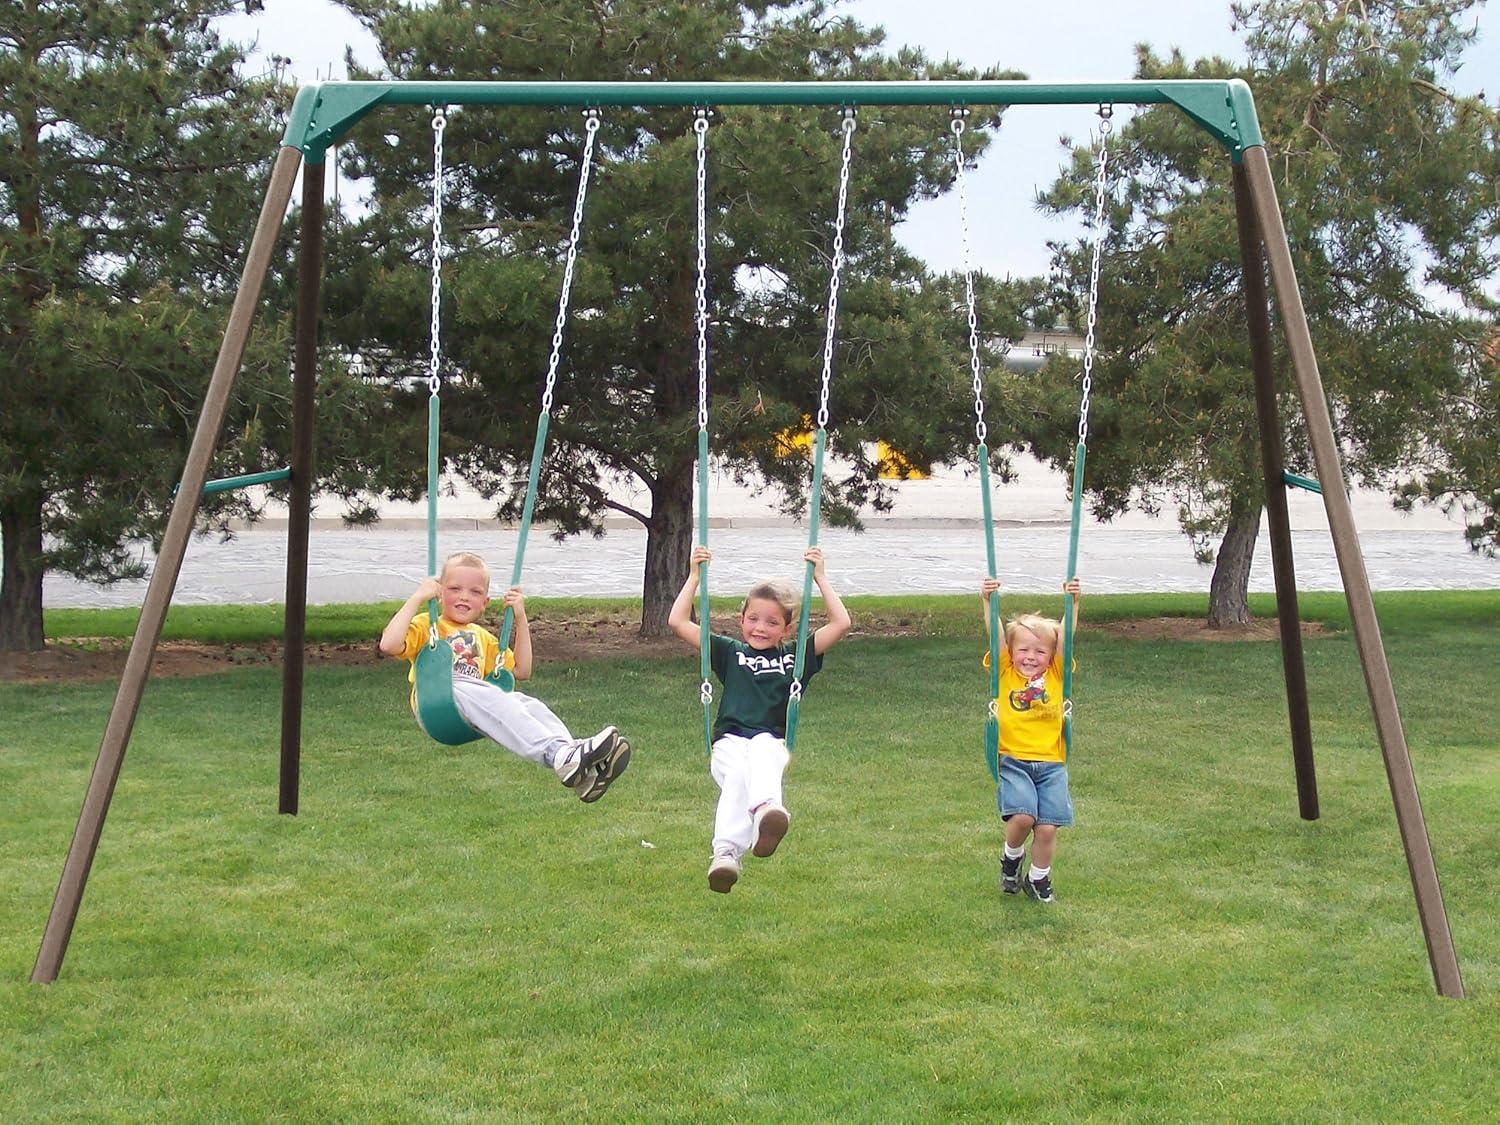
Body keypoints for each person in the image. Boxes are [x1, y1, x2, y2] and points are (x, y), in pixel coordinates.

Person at [668, 545, 852, 893]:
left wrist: (821, 579)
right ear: (741, 620)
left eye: (771, 622)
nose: (760, 628)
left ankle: (768, 811)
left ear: (787, 628)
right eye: (753, 619)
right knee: (737, 773)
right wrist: (693, 577)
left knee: (765, 750)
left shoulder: (795, 657)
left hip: (770, 738)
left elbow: (841, 624)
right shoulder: (729, 652)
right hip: (729, 741)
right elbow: (677, 622)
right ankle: (725, 854)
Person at [379, 551, 630, 803]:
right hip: (439, 701)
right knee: (486, 694)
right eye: (455, 588)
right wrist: (418, 597)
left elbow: (522, 670)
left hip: (471, 704)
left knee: (526, 704)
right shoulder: (427, 625)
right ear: (440, 593)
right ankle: (560, 755)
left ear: (485, 602)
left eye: (475, 592)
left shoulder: (485, 639)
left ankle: (577, 763)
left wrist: (520, 617)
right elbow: (388, 645)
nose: (464, 596)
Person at [981, 575, 1083, 904]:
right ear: (1011, 652)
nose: (1030, 656)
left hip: (1052, 763)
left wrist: (1074, 605)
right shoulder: (1005, 672)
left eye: (1040, 651)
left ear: (1051, 655)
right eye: (1023, 649)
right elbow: (996, 639)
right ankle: (1011, 857)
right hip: (1013, 759)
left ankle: (1038, 878)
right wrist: (988, 603)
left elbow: (1066, 641)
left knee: (1048, 827)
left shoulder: (1056, 674)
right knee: (1023, 816)